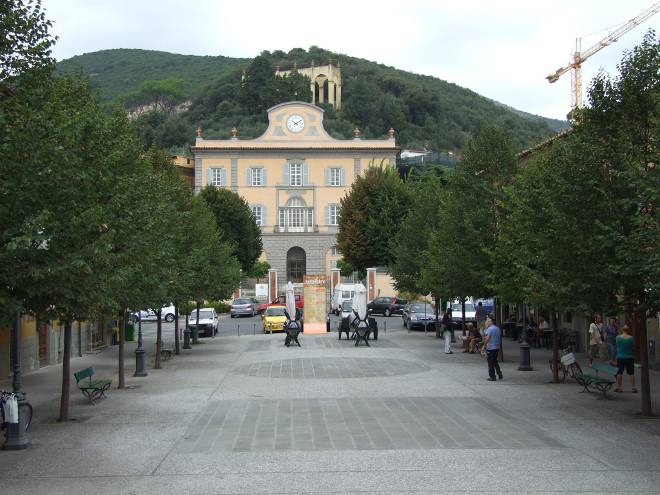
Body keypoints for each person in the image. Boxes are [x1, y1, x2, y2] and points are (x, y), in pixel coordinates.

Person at [615, 325, 636, 393]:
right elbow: (633, 347)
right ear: (628, 330)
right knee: (631, 373)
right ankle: (633, 388)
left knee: (619, 372)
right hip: (629, 357)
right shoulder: (631, 338)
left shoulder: (617, 338)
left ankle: (619, 387)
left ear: (622, 330)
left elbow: (616, 345)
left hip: (620, 357)